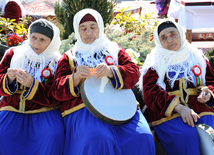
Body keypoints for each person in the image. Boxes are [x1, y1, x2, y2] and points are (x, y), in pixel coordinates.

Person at [51, 8, 155, 155]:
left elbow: (134, 72)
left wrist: (111, 71)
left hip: (121, 105)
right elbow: (56, 90)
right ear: (77, 31)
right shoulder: (70, 57)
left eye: (93, 27)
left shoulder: (114, 50)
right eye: (83, 28)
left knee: (142, 136)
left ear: (100, 27)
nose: (88, 32)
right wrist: (75, 78)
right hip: (84, 109)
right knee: (98, 138)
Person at [140, 19, 214, 155]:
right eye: (164, 37)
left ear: (180, 34)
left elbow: (211, 80)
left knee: (210, 130)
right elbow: (150, 92)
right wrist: (178, 107)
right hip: (168, 110)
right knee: (185, 136)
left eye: (173, 34)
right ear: (158, 41)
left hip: (199, 106)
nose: (169, 40)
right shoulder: (155, 61)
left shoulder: (196, 56)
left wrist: (208, 92)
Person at [0, 18, 64, 154]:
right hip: (12, 108)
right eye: (33, 37)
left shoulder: (57, 61)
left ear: (51, 42)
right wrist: (9, 79)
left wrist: (33, 85)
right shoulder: (13, 54)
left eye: (42, 40)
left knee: (53, 134)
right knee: (2, 133)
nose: (36, 43)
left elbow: (57, 93)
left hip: (45, 111)